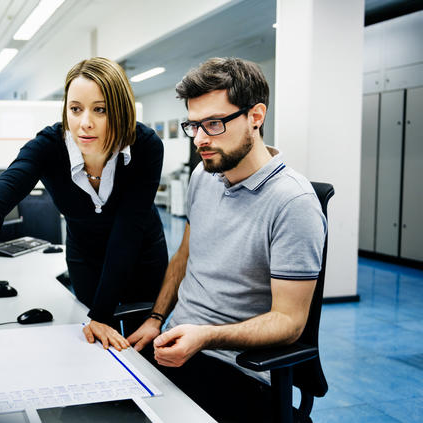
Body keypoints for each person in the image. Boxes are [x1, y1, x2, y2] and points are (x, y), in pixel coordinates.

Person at [126, 57, 326, 421]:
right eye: (194, 125)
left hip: (239, 370)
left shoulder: (292, 202)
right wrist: (157, 318)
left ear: (256, 116)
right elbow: (185, 257)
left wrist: (206, 336)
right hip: (177, 346)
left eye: (214, 124)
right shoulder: (205, 176)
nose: (200, 139)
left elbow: (290, 321)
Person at [0, 57, 168, 350]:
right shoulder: (50, 144)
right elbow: (14, 177)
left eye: (100, 110)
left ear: (121, 110)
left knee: (139, 345)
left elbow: (128, 231)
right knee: (93, 343)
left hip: (139, 254)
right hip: (84, 254)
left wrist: (102, 313)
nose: (84, 123)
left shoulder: (145, 146)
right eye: (75, 109)